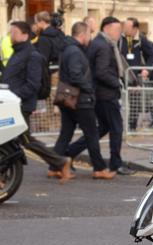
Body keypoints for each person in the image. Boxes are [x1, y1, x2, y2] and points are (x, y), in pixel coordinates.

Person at [2, 21, 72, 181]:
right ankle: (4, 175)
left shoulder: (32, 56)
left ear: (24, 35)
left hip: (20, 106)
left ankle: (61, 162)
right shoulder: (17, 53)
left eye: (14, 33)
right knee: (7, 140)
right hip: (10, 104)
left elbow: (33, 84)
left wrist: (12, 96)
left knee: (25, 140)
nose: (11, 36)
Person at [66, 16, 134, 176]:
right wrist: (118, 83)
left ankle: (69, 153)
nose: (119, 33)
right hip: (106, 95)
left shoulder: (100, 43)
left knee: (102, 129)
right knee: (116, 128)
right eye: (117, 29)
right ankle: (115, 164)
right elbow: (101, 72)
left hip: (99, 94)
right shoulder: (103, 46)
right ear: (107, 28)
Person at [53, 22, 114, 180]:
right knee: (92, 134)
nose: (90, 37)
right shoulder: (74, 51)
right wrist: (89, 88)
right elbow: (75, 75)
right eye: (88, 34)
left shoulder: (68, 49)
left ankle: (54, 166)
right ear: (82, 34)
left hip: (69, 99)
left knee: (65, 134)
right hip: (80, 100)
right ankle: (99, 169)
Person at [119, 17, 153, 131]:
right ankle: (118, 125)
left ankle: (132, 126)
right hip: (122, 74)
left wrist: (147, 69)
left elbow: (152, 55)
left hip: (135, 77)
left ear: (135, 29)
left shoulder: (141, 40)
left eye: (127, 27)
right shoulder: (120, 39)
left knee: (134, 102)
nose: (124, 29)